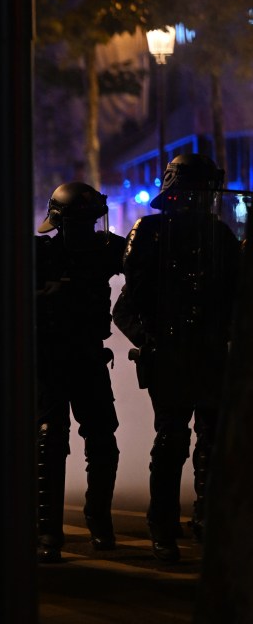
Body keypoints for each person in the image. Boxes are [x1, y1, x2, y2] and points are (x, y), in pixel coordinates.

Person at [114, 154, 240, 562]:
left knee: (213, 440)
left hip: (209, 353)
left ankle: (207, 520)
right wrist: (152, 341)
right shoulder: (150, 232)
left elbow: (234, 296)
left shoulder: (218, 234)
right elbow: (126, 306)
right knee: (171, 442)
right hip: (170, 354)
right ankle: (163, 528)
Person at [34, 182, 126, 563]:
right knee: (49, 445)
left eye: (89, 222)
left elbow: (149, 278)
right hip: (49, 359)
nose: (85, 230)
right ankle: (47, 529)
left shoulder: (109, 250)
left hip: (88, 356)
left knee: (103, 442)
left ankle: (98, 520)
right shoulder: (39, 253)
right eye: (79, 222)